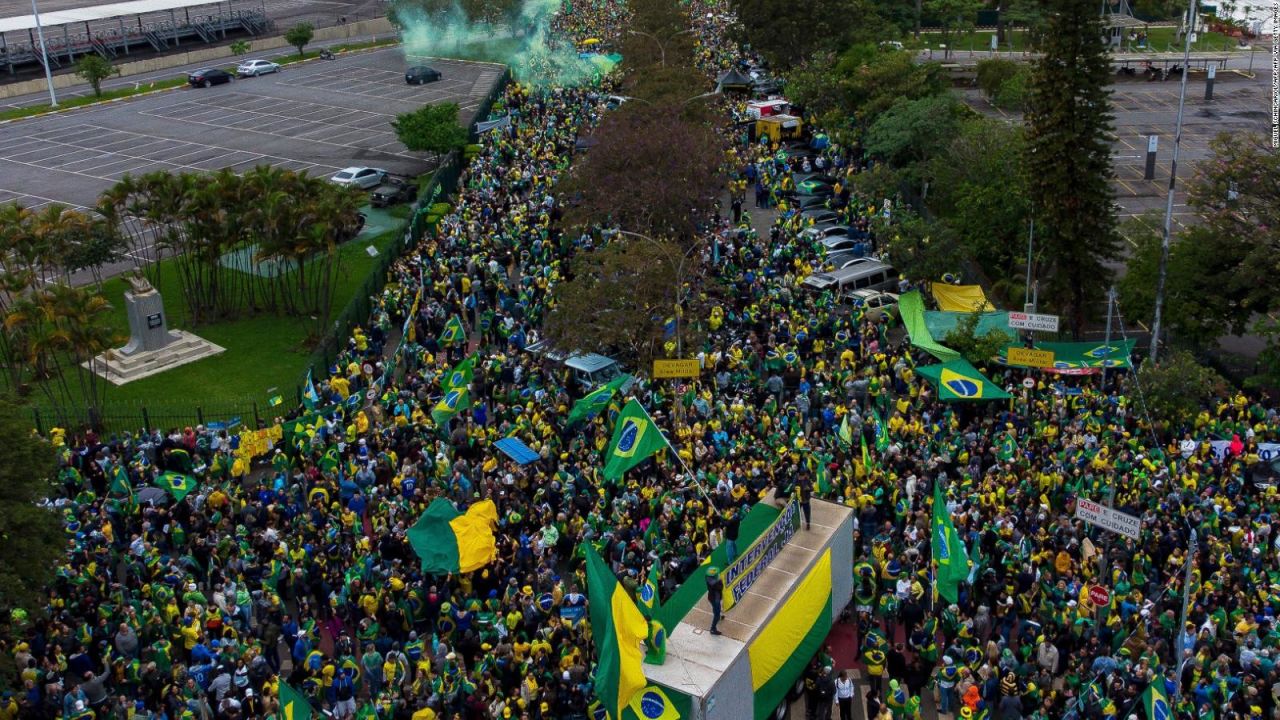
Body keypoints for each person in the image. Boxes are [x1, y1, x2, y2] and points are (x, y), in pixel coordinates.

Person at [706, 567, 723, 636]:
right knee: (717, 614)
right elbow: (721, 587)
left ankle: (718, 615)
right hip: (715, 599)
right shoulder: (714, 583)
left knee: (715, 609)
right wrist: (720, 581)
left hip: (712, 597)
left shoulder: (707, 578)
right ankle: (713, 629)